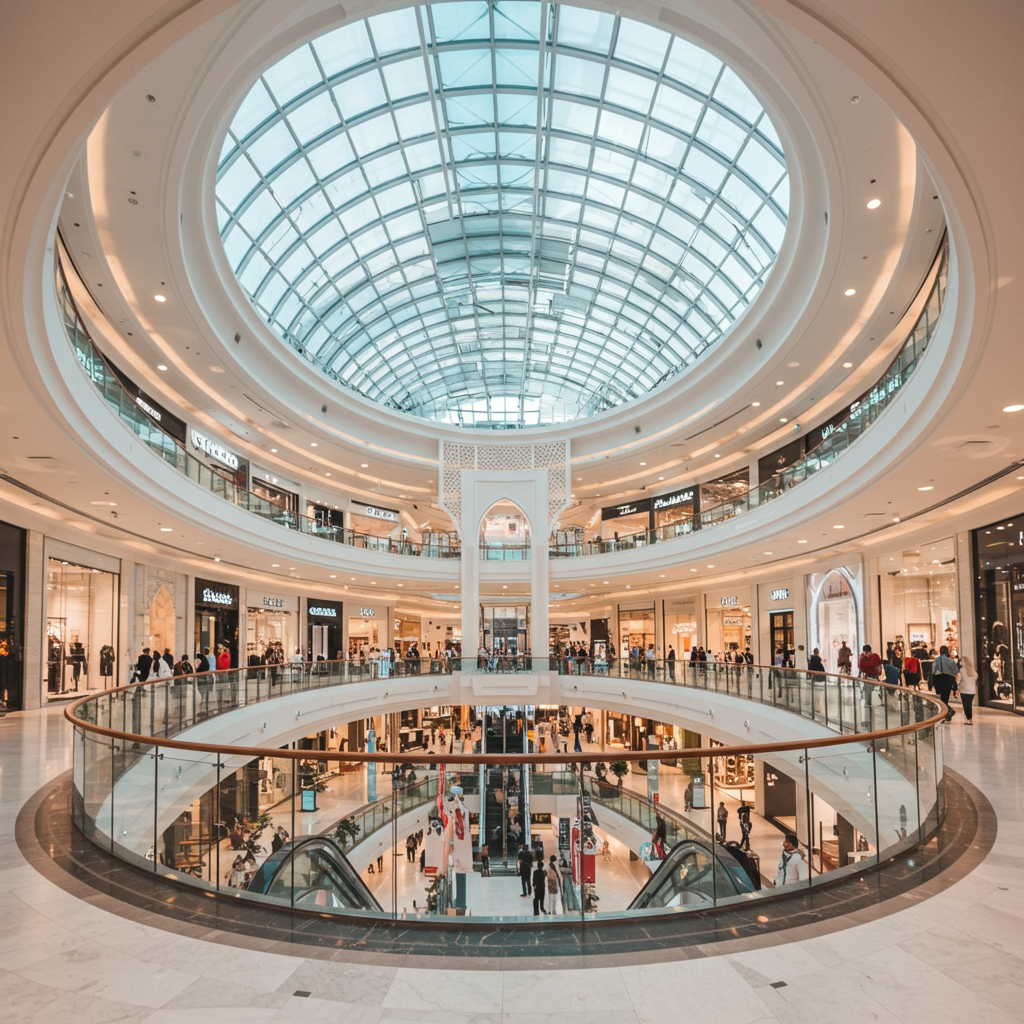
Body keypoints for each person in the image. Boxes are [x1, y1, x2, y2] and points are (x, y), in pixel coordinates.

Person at [932, 645, 959, 722]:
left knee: (941, 699)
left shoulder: (937, 660)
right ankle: (947, 715)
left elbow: (934, 670)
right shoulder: (951, 661)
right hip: (949, 679)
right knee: (945, 697)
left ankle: (949, 711)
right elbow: (955, 671)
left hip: (940, 679)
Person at [959, 655, 978, 724]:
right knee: (969, 704)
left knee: (965, 704)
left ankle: (968, 718)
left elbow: (960, 679)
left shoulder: (962, 670)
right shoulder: (973, 671)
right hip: (972, 690)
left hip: (964, 689)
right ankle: (969, 718)